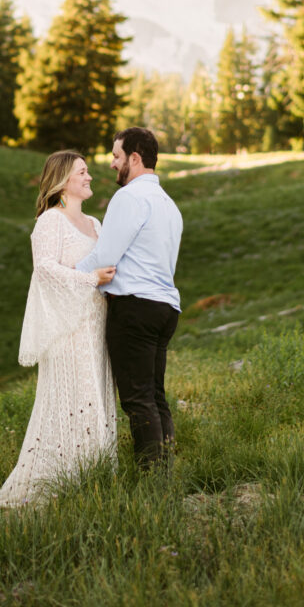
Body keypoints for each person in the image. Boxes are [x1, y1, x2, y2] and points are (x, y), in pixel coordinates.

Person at [0, 150, 117, 507]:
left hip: (96, 326)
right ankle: (55, 481)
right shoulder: (50, 222)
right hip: (67, 328)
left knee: (97, 394)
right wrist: (90, 278)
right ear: (62, 181)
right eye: (82, 172)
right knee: (71, 397)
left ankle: (94, 478)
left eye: (88, 171)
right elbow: (44, 269)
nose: (90, 177)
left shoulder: (95, 224)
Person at [76, 127, 183, 469]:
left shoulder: (130, 198)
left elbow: (104, 256)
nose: (111, 164)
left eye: (116, 156)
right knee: (154, 396)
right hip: (166, 308)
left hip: (134, 308)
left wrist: (69, 275)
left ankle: (153, 479)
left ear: (135, 159)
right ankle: (165, 474)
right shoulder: (169, 205)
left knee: (137, 400)